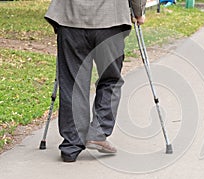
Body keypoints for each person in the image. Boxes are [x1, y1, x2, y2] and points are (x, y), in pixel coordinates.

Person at [44, 0, 147, 162]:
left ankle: (71, 145)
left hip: (70, 18)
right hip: (110, 20)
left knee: (73, 82)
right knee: (110, 79)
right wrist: (138, 12)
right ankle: (98, 133)